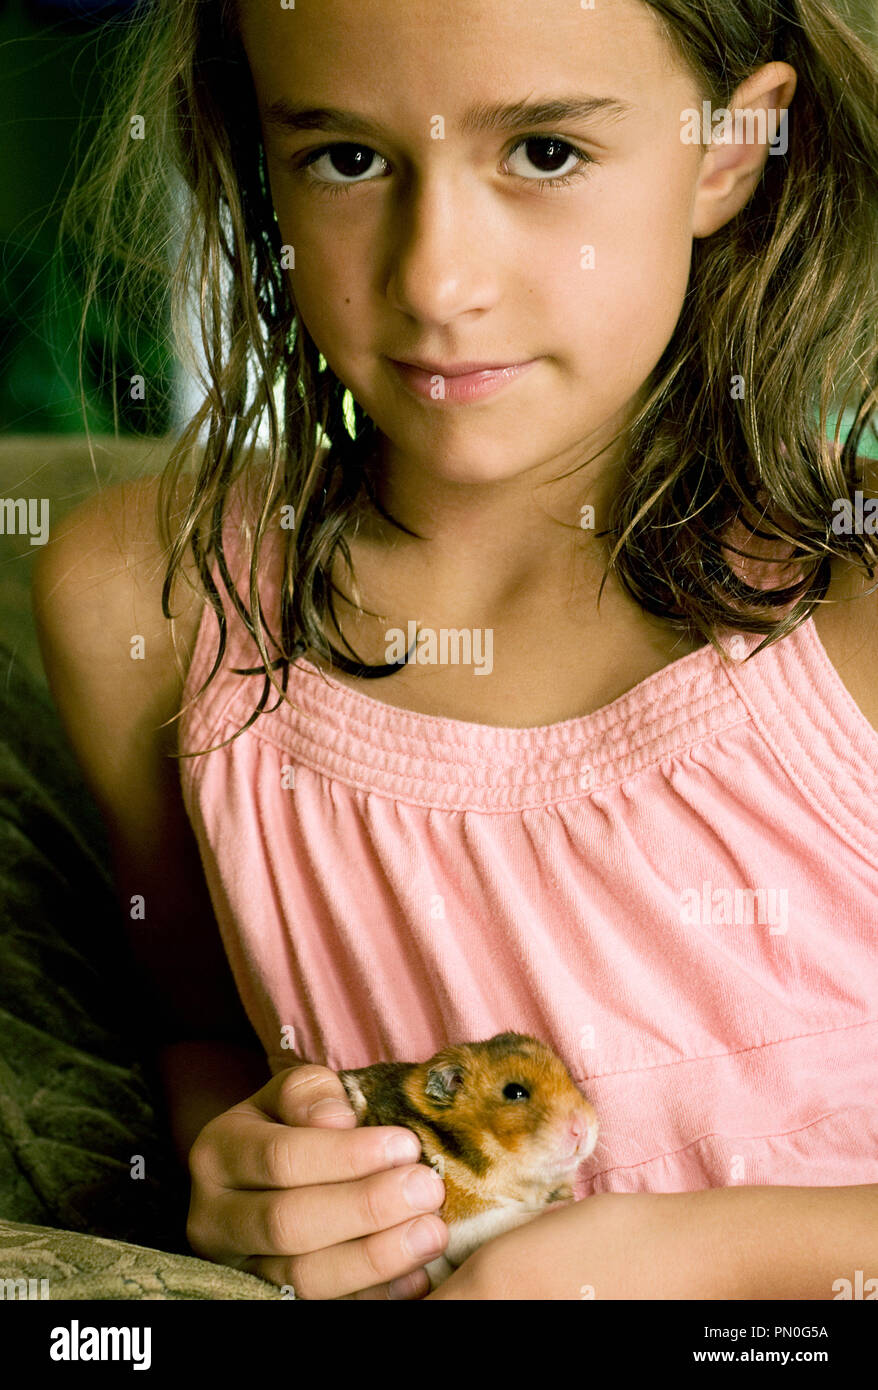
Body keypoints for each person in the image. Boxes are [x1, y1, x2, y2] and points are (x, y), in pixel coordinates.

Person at [33, 0, 878, 1300]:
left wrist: (657, 1258)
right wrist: (244, 1168)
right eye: (347, 158)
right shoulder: (151, 599)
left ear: (726, 150)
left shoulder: (855, 592)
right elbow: (203, 1032)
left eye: (542, 151)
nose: (435, 280)